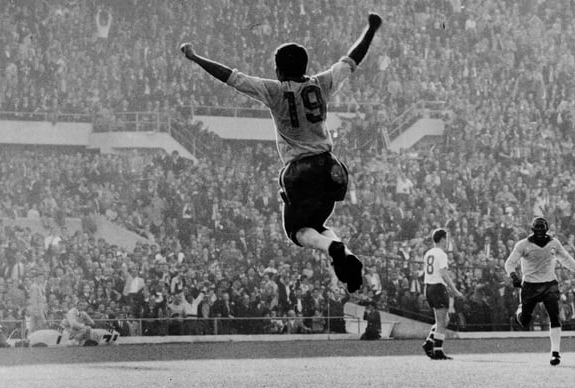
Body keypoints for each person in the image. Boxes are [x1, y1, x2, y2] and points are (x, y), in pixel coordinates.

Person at [179, 13, 383, 294]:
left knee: (296, 231)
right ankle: (343, 255)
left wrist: (197, 57)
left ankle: (335, 247)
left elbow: (231, 77)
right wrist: (371, 29)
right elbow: (352, 59)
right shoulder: (322, 84)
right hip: (333, 168)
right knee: (317, 224)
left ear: (278, 71)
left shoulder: (274, 91)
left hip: (300, 170)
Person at [504, 217, 575, 365]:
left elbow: (565, 258)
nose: (539, 233)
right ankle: (521, 309)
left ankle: (555, 353)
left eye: (542, 230)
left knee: (554, 316)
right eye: (537, 230)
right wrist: (514, 276)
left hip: (549, 283)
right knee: (524, 321)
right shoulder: (523, 245)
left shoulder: (554, 243)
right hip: (530, 285)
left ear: (546, 229)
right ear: (532, 230)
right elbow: (509, 263)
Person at [421, 229, 464, 360]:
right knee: (441, 321)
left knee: (444, 320)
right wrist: (455, 290)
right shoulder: (441, 254)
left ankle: (429, 343)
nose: (448, 241)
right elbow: (444, 274)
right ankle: (438, 350)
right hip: (437, 287)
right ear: (443, 239)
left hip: (428, 286)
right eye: (447, 238)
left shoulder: (428, 253)